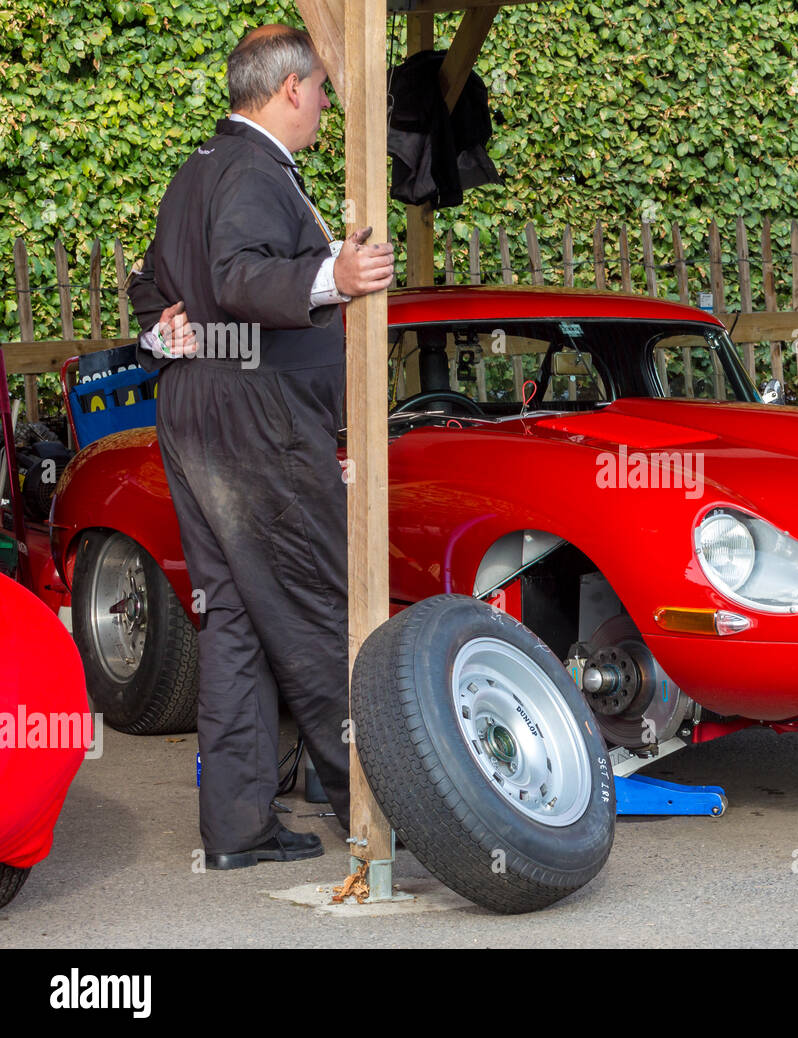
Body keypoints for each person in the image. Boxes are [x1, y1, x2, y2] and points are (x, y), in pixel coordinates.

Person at [127, 24, 394, 869]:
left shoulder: (194, 173)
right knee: (321, 605)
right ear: (286, 89)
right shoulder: (250, 171)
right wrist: (334, 279)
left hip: (196, 410)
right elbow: (241, 276)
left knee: (234, 619)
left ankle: (238, 829)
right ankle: (379, 813)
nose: (324, 100)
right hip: (255, 419)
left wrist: (163, 334)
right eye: (318, 87)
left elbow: (146, 282)